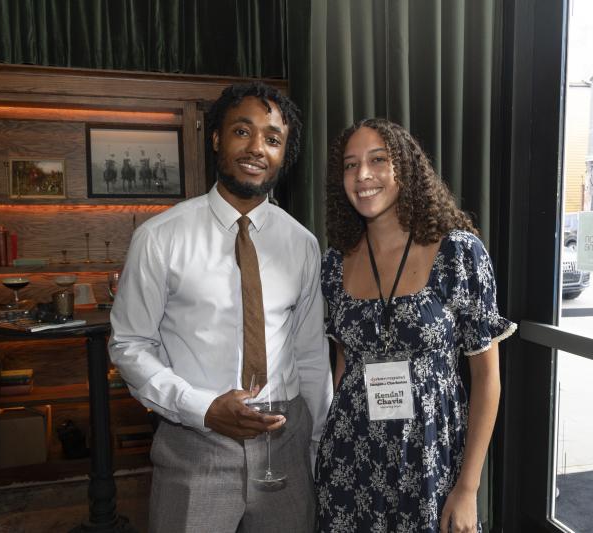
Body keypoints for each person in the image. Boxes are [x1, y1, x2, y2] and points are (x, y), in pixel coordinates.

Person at [109, 82, 333, 532]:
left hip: (284, 443)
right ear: (216, 138)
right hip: (195, 444)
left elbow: (310, 353)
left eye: (273, 139)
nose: (257, 149)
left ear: (284, 154)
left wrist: (314, 445)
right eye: (242, 132)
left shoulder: (303, 244)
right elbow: (130, 345)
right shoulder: (159, 238)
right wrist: (202, 408)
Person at [315, 118, 515, 533]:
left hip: (431, 456)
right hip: (351, 456)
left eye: (378, 160)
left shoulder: (457, 253)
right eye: (351, 164)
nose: (363, 174)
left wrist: (468, 487)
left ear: (404, 168)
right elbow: (343, 366)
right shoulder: (335, 263)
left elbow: (487, 378)